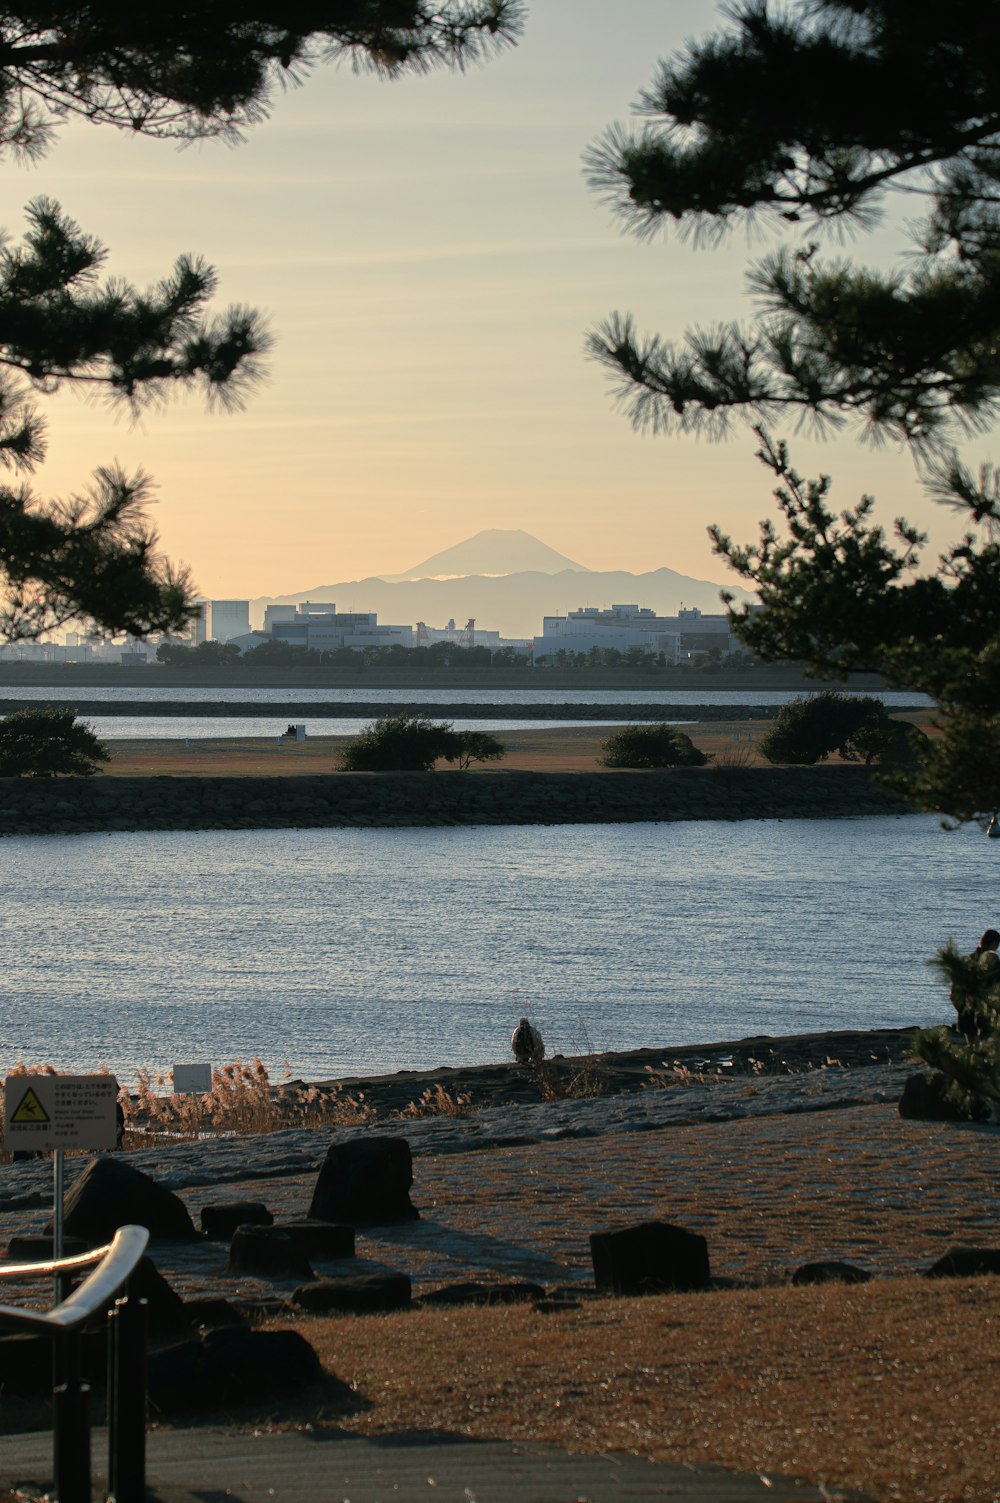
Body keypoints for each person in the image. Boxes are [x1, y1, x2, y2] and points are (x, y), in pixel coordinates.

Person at [952, 929, 1000, 1039]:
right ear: (994, 944)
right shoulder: (994, 963)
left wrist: (962, 1009)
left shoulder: (965, 961)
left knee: (972, 1050)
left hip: (966, 1015)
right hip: (987, 1017)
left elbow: (955, 991)